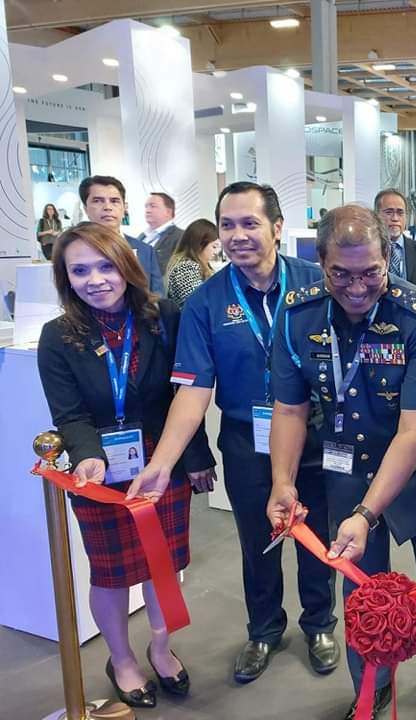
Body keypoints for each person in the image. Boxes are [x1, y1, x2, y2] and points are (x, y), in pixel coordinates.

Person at [126, 182, 340, 684]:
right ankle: (264, 630)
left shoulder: (318, 284)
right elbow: (193, 392)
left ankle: (319, 624)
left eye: (250, 223)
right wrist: (162, 463)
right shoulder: (205, 301)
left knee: (318, 536)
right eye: (228, 225)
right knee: (256, 540)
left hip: (315, 437)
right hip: (248, 441)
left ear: (277, 228)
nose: (238, 235)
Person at [267, 205, 416, 720]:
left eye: (370, 273)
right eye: (341, 274)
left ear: (388, 258)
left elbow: (415, 430)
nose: (357, 287)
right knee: (361, 587)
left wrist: (368, 512)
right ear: (321, 262)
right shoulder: (297, 315)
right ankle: (371, 685)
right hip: (347, 463)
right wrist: (282, 482)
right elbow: (290, 409)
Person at [36, 222, 216, 709]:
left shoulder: (165, 316)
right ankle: (121, 659)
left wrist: (195, 457)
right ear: (65, 278)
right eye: (79, 270)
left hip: (162, 459)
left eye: (104, 265)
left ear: (126, 266)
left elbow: (188, 393)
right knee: (112, 572)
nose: (94, 279)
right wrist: (89, 456)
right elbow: (69, 414)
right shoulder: (58, 337)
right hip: (97, 471)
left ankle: (160, 647)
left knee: (164, 566)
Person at [80, 176, 164, 294]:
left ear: (124, 208)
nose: (107, 207)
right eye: (98, 201)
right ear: (86, 209)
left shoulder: (145, 251)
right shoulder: (76, 251)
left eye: (114, 201)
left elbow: (157, 297)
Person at [166, 219, 221, 308]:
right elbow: (199, 303)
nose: (216, 252)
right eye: (214, 247)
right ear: (200, 244)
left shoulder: (199, 266)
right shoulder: (185, 268)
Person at [139, 192, 183, 275]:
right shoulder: (141, 237)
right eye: (146, 206)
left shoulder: (180, 237)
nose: (147, 210)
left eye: (153, 206)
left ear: (168, 211)